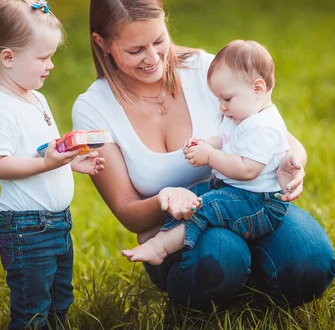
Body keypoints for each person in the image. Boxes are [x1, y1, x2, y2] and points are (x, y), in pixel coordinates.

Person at [72, 0, 335, 311]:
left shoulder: (205, 69)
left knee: (310, 261)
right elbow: (129, 213)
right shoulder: (93, 109)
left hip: (249, 205)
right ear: (101, 43)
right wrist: (166, 200)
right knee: (222, 252)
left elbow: (275, 132)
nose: (153, 58)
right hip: (176, 233)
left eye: (159, 40)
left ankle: (247, 295)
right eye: (135, 49)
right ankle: (207, 296)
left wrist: (294, 163)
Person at [0, 0, 105, 329]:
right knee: (32, 310)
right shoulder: (0, 109)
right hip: (26, 229)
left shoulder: (35, 98)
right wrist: (46, 164)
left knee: (59, 300)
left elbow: (43, 150)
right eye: (43, 58)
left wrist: (70, 160)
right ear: (8, 58)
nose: (51, 65)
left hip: (57, 224)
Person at [121, 40, 291, 265]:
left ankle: (159, 247)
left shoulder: (262, 126)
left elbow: (247, 169)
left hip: (259, 204)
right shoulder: (242, 115)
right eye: (218, 100)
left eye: (227, 99)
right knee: (192, 196)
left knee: (202, 207)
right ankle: (158, 231)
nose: (221, 107)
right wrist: (208, 143)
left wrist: (210, 156)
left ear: (258, 88)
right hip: (235, 191)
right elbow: (225, 139)